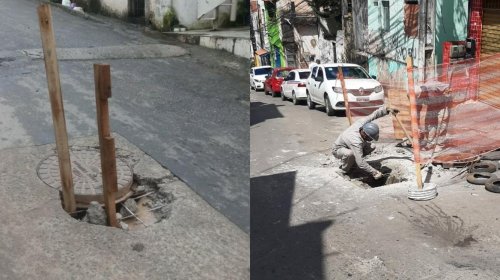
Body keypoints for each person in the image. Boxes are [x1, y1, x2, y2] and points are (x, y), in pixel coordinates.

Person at [332, 105, 399, 179]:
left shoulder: (362, 124)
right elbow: (361, 163)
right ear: (365, 135)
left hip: (350, 145)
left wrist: (386, 110)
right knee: (350, 154)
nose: (371, 140)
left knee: (372, 146)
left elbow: (374, 115)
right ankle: (344, 170)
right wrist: (374, 172)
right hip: (338, 149)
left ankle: (353, 162)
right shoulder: (356, 142)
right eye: (370, 138)